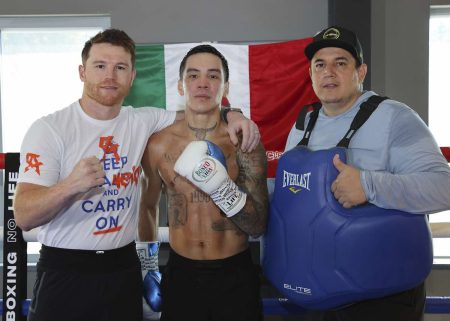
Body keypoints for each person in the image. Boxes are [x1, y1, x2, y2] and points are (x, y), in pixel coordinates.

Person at [13, 29, 261, 321]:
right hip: (66, 268)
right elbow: (24, 216)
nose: (110, 76)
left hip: (123, 268)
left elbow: (203, 109)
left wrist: (234, 114)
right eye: (100, 66)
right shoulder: (50, 129)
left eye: (120, 68)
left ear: (132, 77)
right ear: (82, 72)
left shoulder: (143, 121)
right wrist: (69, 186)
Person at [283, 26, 450, 321]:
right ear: (310, 74)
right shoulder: (303, 124)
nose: (329, 72)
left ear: (361, 71)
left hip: (379, 296)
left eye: (341, 63)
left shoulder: (395, 117)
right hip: (315, 291)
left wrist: (368, 184)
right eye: (319, 64)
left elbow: (443, 187)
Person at [138, 44, 269, 321]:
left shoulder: (244, 141)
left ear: (226, 87)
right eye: (193, 75)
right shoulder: (158, 145)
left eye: (213, 76)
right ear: (180, 86)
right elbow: (148, 205)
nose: (202, 84)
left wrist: (222, 188)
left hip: (235, 275)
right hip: (181, 274)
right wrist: (148, 265)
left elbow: (258, 225)